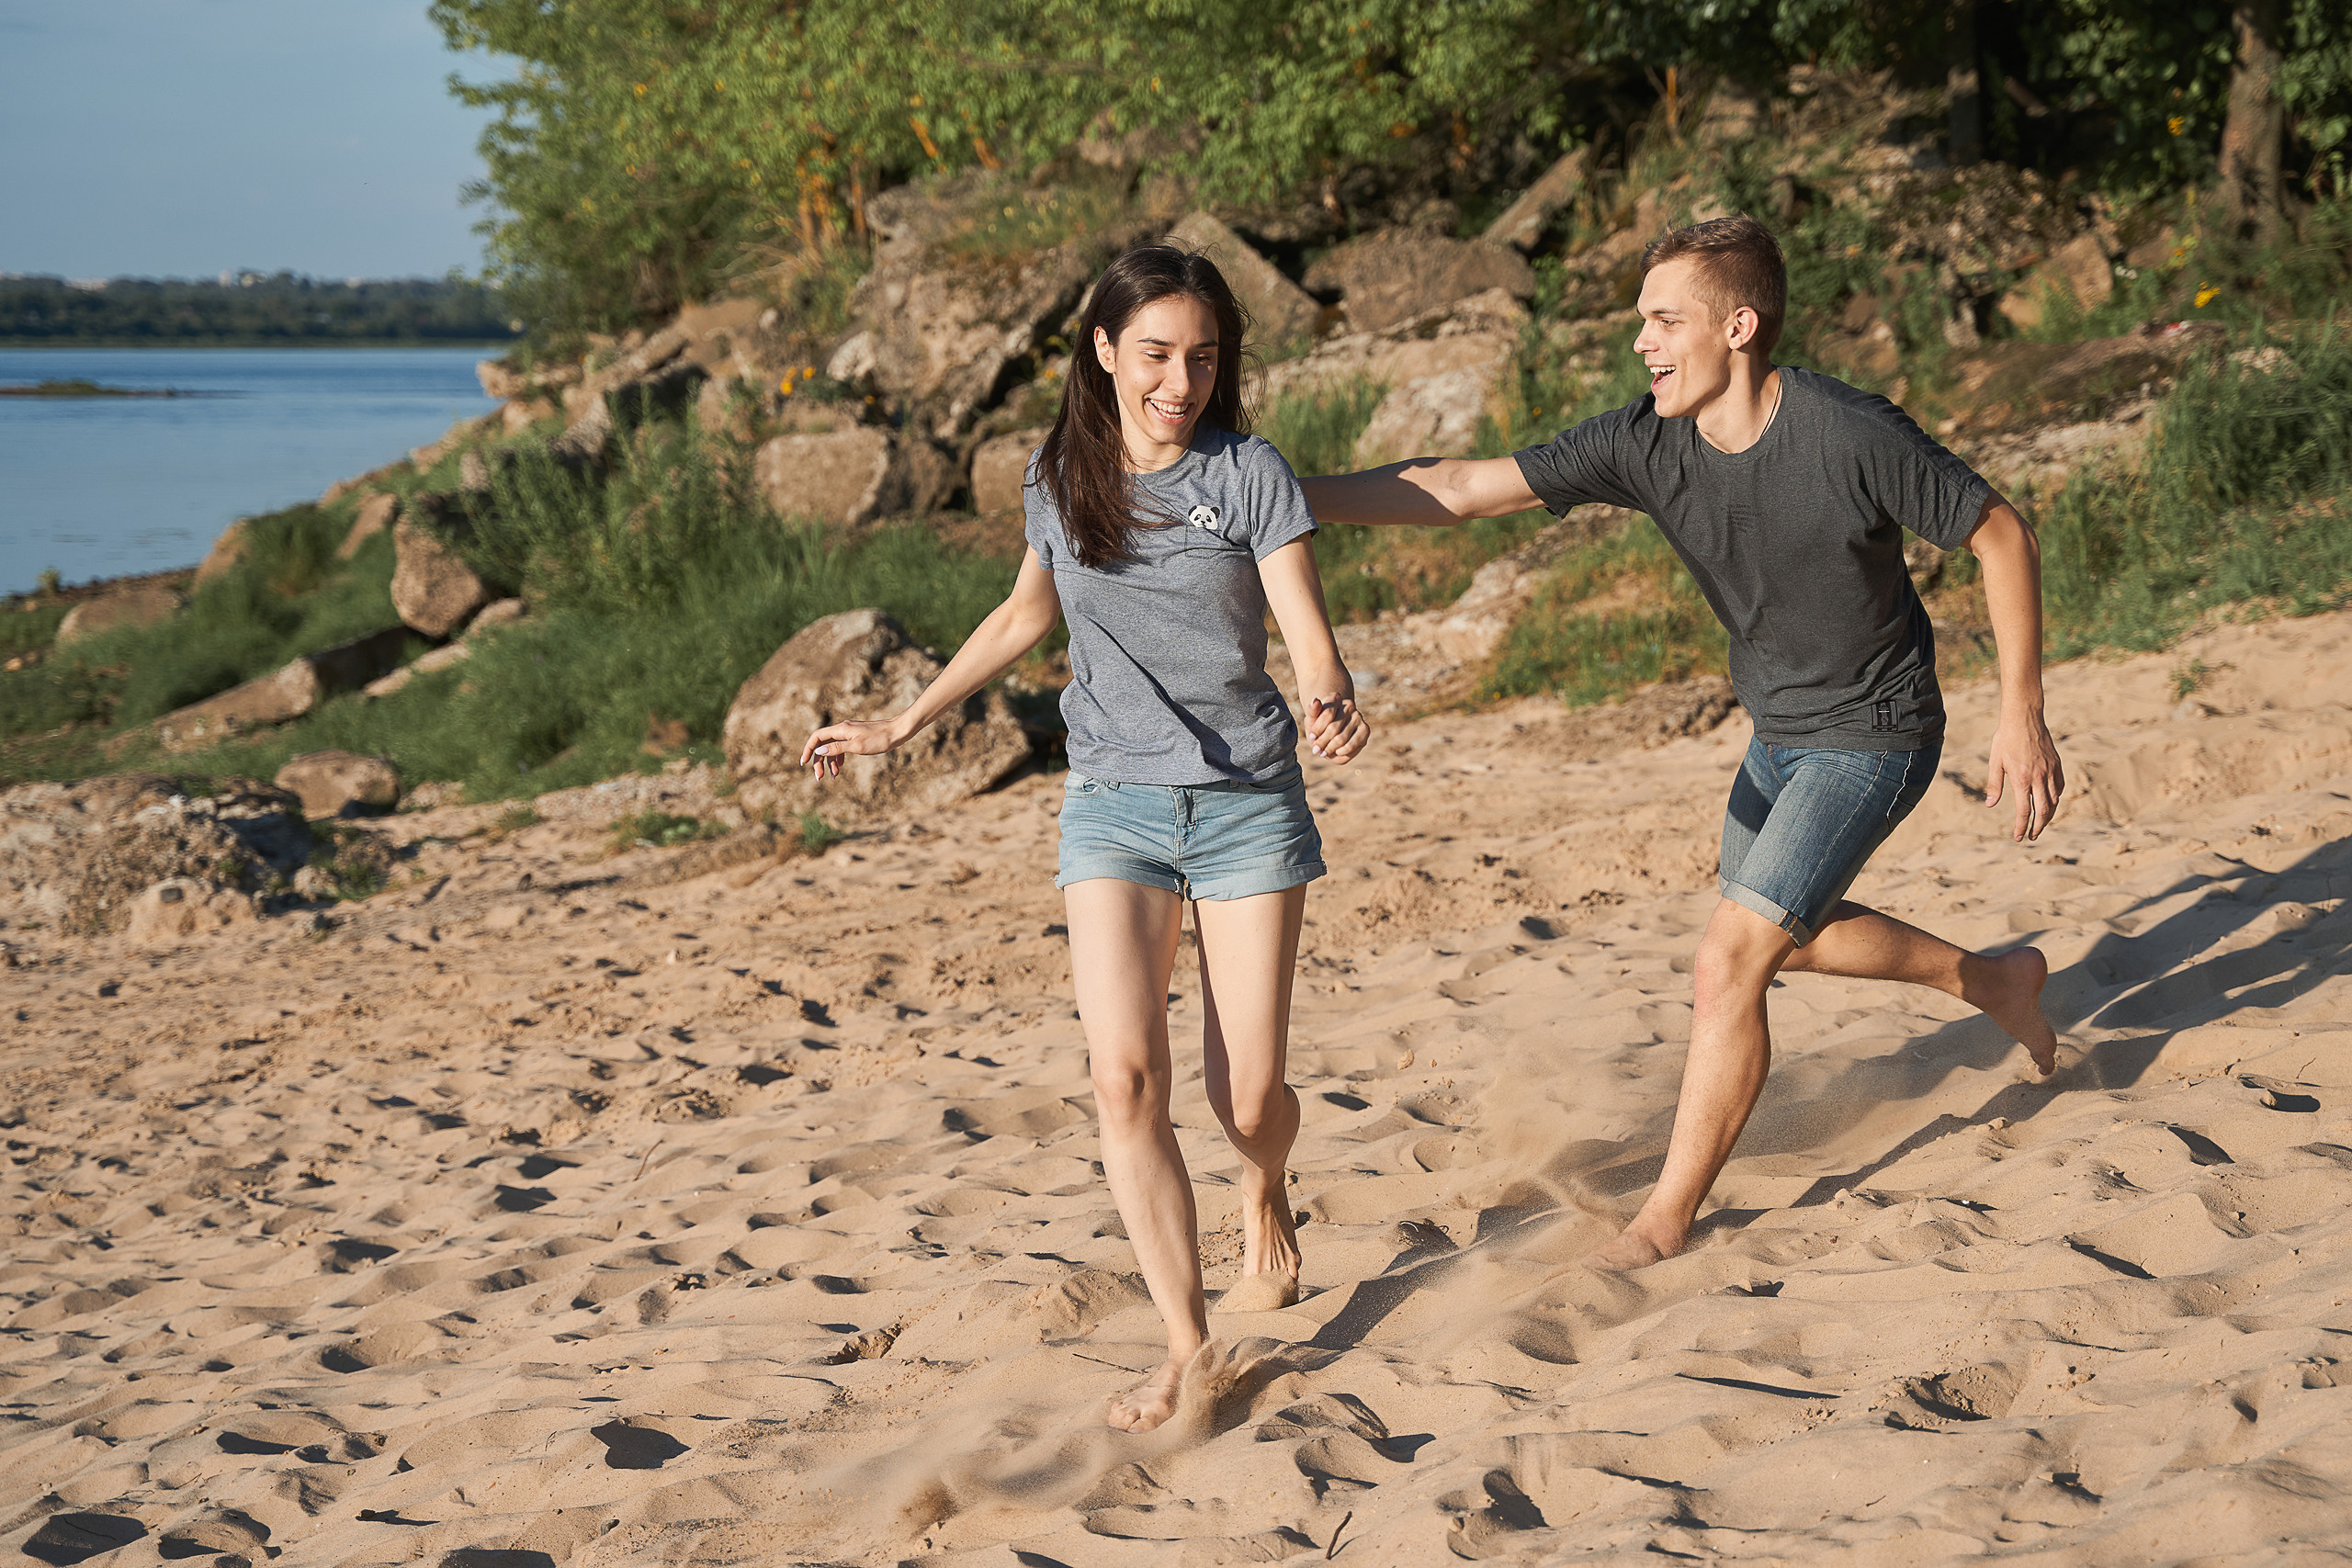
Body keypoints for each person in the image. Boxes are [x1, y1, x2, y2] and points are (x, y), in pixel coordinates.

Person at [1297, 214, 2064, 1270]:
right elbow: (1464, 487)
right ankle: (1991, 982)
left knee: (1729, 958)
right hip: (1779, 733)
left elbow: (2000, 532)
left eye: (1664, 320)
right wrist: (1284, 495)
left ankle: (1663, 1221)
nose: (1641, 343)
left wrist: (2018, 709)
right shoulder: (1645, 442)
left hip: (1876, 730)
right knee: (1794, 932)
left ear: (1737, 326)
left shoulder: (1848, 433)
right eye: (1640, 322)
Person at [799, 245, 1371, 1431]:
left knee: (1248, 1095)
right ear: (1103, 351)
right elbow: (1025, 609)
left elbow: (1303, 620)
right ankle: (1188, 1343)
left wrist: (1327, 692)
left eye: (1202, 357)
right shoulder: (1058, 474)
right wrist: (905, 717)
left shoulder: (1250, 472)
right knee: (1125, 1080)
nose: (1181, 380)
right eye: (1157, 353)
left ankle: (1266, 1190)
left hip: (1248, 802)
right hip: (1112, 801)